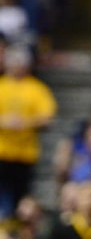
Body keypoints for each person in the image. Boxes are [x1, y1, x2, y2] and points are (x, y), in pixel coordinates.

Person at [0, 44, 57, 219]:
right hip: (2, 151)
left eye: (20, 62)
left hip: (26, 153)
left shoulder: (37, 88)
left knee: (21, 198)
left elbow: (48, 117)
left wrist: (25, 122)